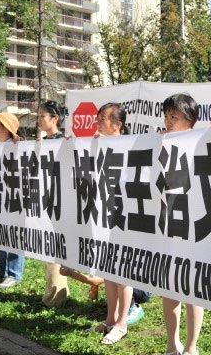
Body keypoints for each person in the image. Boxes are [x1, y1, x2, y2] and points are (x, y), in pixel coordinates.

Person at [64, 103, 150, 343]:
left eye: (103, 119)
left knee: (123, 273)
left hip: (126, 217)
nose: (98, 123)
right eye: (98, 118)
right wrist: (75, 146)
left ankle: (122, 323)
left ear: (117, 124)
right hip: (104, 216)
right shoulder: (97, 144)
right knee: (109, 270)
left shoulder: (131, 145)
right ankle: (111, 319)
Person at [161, 93, 202, 355]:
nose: (168, 121)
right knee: (169, 288)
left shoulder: (203, 142)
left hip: (194, 227)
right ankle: (171, 343)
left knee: (192, 292)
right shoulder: (158, 142)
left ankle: (191, 346)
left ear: (190, 119)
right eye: (166, 115)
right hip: (167, 227)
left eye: (174, 116)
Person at [0, 112, 26, 289]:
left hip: (15, 198)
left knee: (14, 236)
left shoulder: (20, 147)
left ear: (7, 128)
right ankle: (1, 270)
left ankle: (14, 273)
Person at [37, 100, 70, 308]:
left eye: (42, 116)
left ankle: (56, 296)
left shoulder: (64, 142)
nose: (39, 120)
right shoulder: (43, 141)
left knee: (54, 250)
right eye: (38, 116)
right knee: (47, 249)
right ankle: (52, 293)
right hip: (46, 200)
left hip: (60, 202)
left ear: (54, 119)